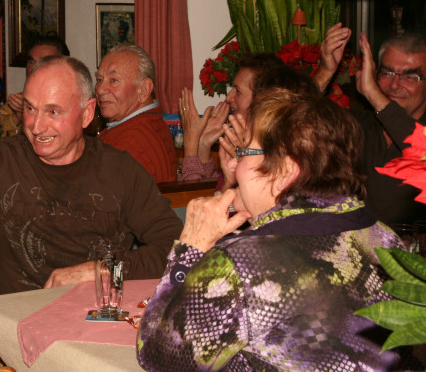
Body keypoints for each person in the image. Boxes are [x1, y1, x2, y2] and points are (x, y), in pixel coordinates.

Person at [137, 89, 414, 371]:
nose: (231, 163)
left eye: (244, 152)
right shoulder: (387, 241)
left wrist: (191, 248)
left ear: (285, 171)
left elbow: (158, 357)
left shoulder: (242, 262)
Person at [0, 55, 183, 296]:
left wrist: (103, 271)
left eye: (53, 112)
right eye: (30, 108)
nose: (36, 127)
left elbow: (180, 251)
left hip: (95, 316)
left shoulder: (121, 170)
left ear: (86, 113)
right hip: (14, 318)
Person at [313, 25, 426, 225]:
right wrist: (326, 70)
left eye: (410, 77)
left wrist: (374, 94)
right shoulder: (358, 124)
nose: (394, 85)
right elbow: (289, 120)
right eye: (387, 73)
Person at [179, 53, 284, 182]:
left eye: (238, 91)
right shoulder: (240, 140)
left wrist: (190, 147)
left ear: (262, 98)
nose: (228, 98)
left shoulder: (271, 150)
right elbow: (218, 190)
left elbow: (193, 195)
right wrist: (203, 145)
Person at [96, 43, 177, 183]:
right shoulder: (151, 124)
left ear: (144, 90)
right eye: (99, 80)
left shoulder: (128, 145)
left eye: (114, 80)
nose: (100, 90)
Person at [5, 36, 70, 124]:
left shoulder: (75, 101)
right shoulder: (18, 101)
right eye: (32, 62)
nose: (34, 68)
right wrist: (18, 117)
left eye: (44, 62)